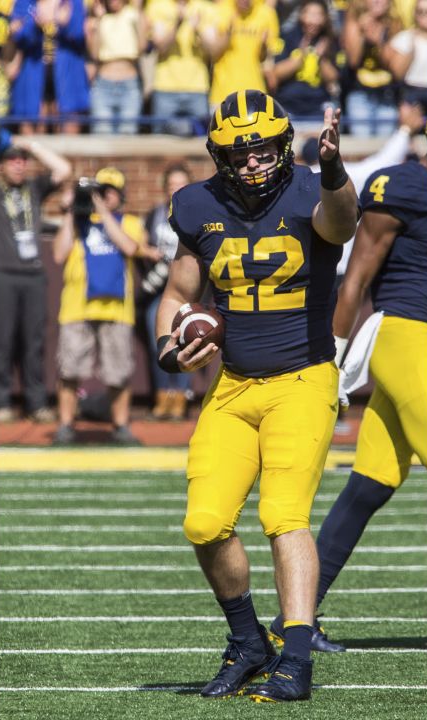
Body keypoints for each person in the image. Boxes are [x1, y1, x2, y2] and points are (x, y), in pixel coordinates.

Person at [156, 89, 358, 702]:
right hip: (234, 385)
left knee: (283, 515)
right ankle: (248, 643)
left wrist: (331, 169)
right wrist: (171, 343)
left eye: (263, 149)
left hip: (302, 379)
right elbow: (176, 293)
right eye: (239, 153)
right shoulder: (196, 205)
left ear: (284, 145)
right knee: (204, 522)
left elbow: (340, 223)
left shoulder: (311, 190)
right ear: (218, 155)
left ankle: (296, 658)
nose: (251, 163)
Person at [293, 138, 427, 651]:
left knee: (370, 485)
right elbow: (355, 278)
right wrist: (329, 355)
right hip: (410, 334)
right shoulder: (407, 186)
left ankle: (297, 624)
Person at [52, 167, 159, 445]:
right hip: (77, 307)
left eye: (108, 192)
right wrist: (69, 211)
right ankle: (66, 425)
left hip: (116, 308)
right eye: (99, 191)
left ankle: (120, 426)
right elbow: (58, 254)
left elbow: (129, 248)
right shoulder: (77, 221)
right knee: (70, 370)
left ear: (120, 196)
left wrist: (103, 211)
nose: (102, 196)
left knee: (118, 371)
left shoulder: (129, 222)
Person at [0, 137, 72, 425]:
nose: (18, 164)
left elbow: (63, 169)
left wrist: (31, 146)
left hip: (33, 275)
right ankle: (0, 402)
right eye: (11, 159)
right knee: (2, 341)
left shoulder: (33, 189)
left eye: (21, 160)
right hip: (1, 273)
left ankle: (36, 403)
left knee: (34, 342)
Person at [138, 164, 194, 419]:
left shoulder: (197, 214)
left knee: (188, 342)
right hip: (159, 290)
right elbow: (141, 243)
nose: (175, 189)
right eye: (171, 185)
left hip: (188, 291)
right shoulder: (155, 214)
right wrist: (149, 252)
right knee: (158, 342)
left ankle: (180, 396)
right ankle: (162, 396)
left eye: (180, 184)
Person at [9, 0, 90, 134]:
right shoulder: (25, 3)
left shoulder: (74, 3)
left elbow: (80, 37)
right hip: (32, 77)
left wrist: (63, 23)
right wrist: (35, 24)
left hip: (68, 78)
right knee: (31, 133)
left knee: (69, 137)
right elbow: (19, 38)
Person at [146, 0, 218, 135]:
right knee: (159, 144)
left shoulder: (206, 8)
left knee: (203, 144)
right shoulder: (157, 6)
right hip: (165, 87)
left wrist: (198, 30)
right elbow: (160, 48)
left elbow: (212, 51)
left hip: (198, 88)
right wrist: (178, 24)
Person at [201, 0, 280, 114]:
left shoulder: (266, 13)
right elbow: (213, 54)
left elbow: (266, 59)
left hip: (255, 93)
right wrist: (228, 34)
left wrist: (263, 46)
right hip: (222, 93)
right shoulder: (221, 10)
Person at [270, 0, 340, 126]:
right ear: (301, 15)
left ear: (325, 18)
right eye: (310, 14)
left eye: (319, 15)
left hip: (317, 106)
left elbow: (334, 77)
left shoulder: (330, 41)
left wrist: (321, 58)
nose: (314, 20)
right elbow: (276, 72)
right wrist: (300, 57)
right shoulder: (287, 36)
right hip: (289, 105)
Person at [340, 0, 403, 136]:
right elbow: (353, 61)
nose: (377, 1)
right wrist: (362, 33)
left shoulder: (395, 25)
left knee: (385, 148)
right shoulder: (355, 22)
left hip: (387, 96)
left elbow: (393, 65)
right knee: (361, 148)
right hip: (359, 94)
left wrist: (378, 42)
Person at [87, 0, 147, 134]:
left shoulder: (133, 14)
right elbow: (95, 54)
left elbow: (142, 47)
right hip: (103, 86)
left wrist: (138, 13)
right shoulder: (100, 19)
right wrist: (97, 21)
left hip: (129, 86)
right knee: (102, 134)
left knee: (127, 136)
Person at [385, 0, 427, 116]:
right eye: (421, 12)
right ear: (415, 14)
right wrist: (410, 51)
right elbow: (397, 73)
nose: (426, 15)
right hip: (412, 94)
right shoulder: (404, 38)